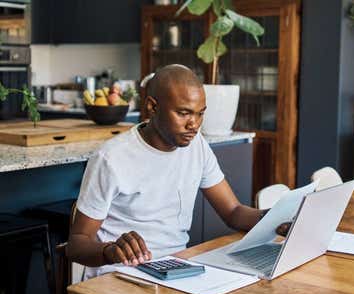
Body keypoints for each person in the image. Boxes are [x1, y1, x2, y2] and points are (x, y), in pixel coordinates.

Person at [67, 64, 271, 278]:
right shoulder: (111, 158)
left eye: (200, 114)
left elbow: (233, 212)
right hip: (119, 275)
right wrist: (110, 250)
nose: (194, 124)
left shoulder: (197, 146)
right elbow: (77, 244)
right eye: (183, 113)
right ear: (152, 107)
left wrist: (277, 219)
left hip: (177, 269)